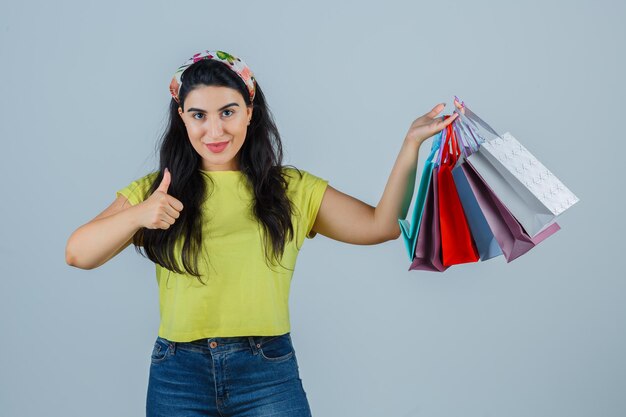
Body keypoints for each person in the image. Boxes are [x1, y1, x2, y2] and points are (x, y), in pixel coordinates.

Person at [65, 49, 459, 417]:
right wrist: (139, 215)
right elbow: (78, 253)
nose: (214, 129)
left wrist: (411, 145)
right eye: (198, 115)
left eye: (228, 112)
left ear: (249, 112)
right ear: (181, 116)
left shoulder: (289, 189)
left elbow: (381, 226)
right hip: (177, 373)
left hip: (266, 371)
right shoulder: (157, 190)